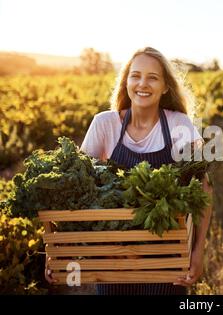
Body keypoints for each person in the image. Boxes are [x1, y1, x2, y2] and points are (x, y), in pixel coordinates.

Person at [44, 47, 213, 295]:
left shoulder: (179, 124)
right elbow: (77, 192)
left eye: (153, 77)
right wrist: (59, 252)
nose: (142, 83)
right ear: (126, 82)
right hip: (113, 258)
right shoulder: (105, 124)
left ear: (165, 86)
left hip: (166, 257)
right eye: (135, 75)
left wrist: (198, 252)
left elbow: (203, 188)